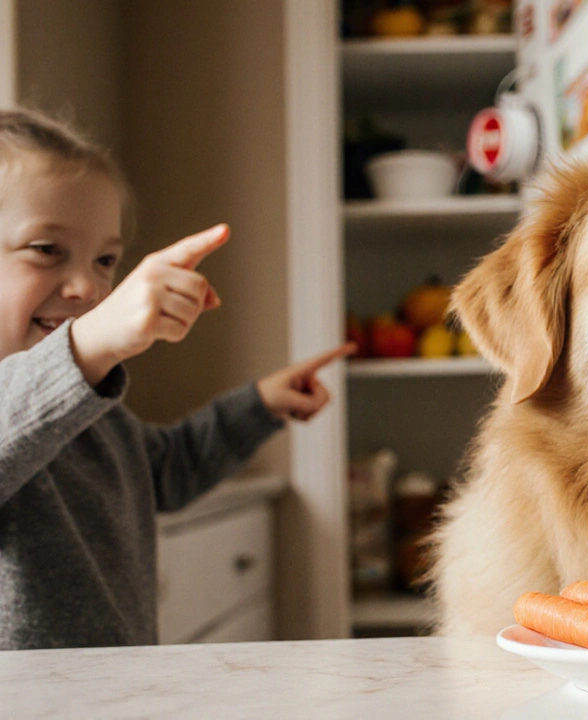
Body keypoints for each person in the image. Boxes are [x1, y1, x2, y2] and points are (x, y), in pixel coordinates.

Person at [0, 107, 353, 650]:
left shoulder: (92, 410)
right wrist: (91, 343)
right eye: (47, 250)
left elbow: (166, 469)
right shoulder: (45, 395)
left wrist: (259, 404)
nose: (87, 288)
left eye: (106, 260)